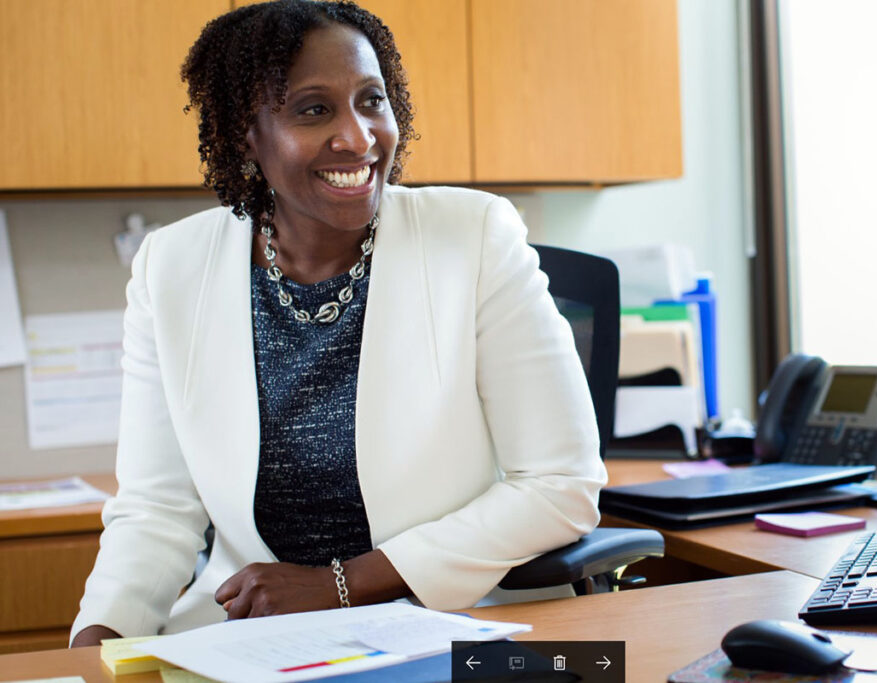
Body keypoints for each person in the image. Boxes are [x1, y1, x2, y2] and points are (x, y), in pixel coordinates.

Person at [70, 0, 605, 647]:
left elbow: (559, 484)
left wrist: (338, 584)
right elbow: (158, 509)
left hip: (460, 627)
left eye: (371, 101)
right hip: (258, 641)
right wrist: (95, 640)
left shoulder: (475, 236)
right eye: (314, 109)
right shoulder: (172, 267)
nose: (357, 137)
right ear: (247, 132)